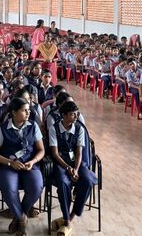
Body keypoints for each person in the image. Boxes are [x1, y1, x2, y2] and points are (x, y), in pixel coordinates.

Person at [0, 98, 46, 236]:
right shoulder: (2, 128)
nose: (28, 113)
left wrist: (33, 161)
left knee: (37, 186)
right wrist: (10, 162)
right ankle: (22, 219)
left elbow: (41, 150)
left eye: (28, 110)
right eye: (24, 110)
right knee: (8, 188)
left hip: (29, 164)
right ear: (14, 112)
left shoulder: (33, 126)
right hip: (9, 165)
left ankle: (18, 216)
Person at [48, 101, 96, 236]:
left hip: (77, 163)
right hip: (61, 164)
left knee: (87, 181)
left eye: (77, 114)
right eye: (72, 114)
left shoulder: (79, 128)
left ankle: (70, 217)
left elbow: (79, 151)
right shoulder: (54, 128)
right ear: (63, 115)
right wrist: (68, 168)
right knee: (63, 184)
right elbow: (55, 153)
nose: (76, 117)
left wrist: (75, 169)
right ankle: (67, 221)